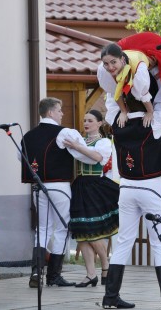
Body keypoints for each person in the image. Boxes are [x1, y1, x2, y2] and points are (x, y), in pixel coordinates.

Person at [97, 36, 161, 310]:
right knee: (159, 242)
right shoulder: (153, 123)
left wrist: (122, 109)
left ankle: (110, 298)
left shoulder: (118, 125)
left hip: (126, 189)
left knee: (123, 242)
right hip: (150, 188)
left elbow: (113, 106)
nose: (111, 69)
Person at [20, 97, 76, 288]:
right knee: (62, 228)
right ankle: (54, 275)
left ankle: (36, 271)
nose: (62, 114)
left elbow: (21, 158)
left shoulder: (27, 135)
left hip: (38, 186)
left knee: (42, 228)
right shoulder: (64, 133)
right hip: (59, 185)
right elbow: (81, 152)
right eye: (60, 110)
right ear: (51, 112)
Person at [60, 110, 119, 288]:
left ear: (100, 123)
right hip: (79, 185)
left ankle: (106, 263)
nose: (86, 123)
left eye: (90, 120)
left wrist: (76, 147)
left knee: (92, 230)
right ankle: (90, 274)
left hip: (94, 186)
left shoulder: (103, 142)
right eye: (84, 120)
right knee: (81, 234)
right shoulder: (80, 140)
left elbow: (97, 158)